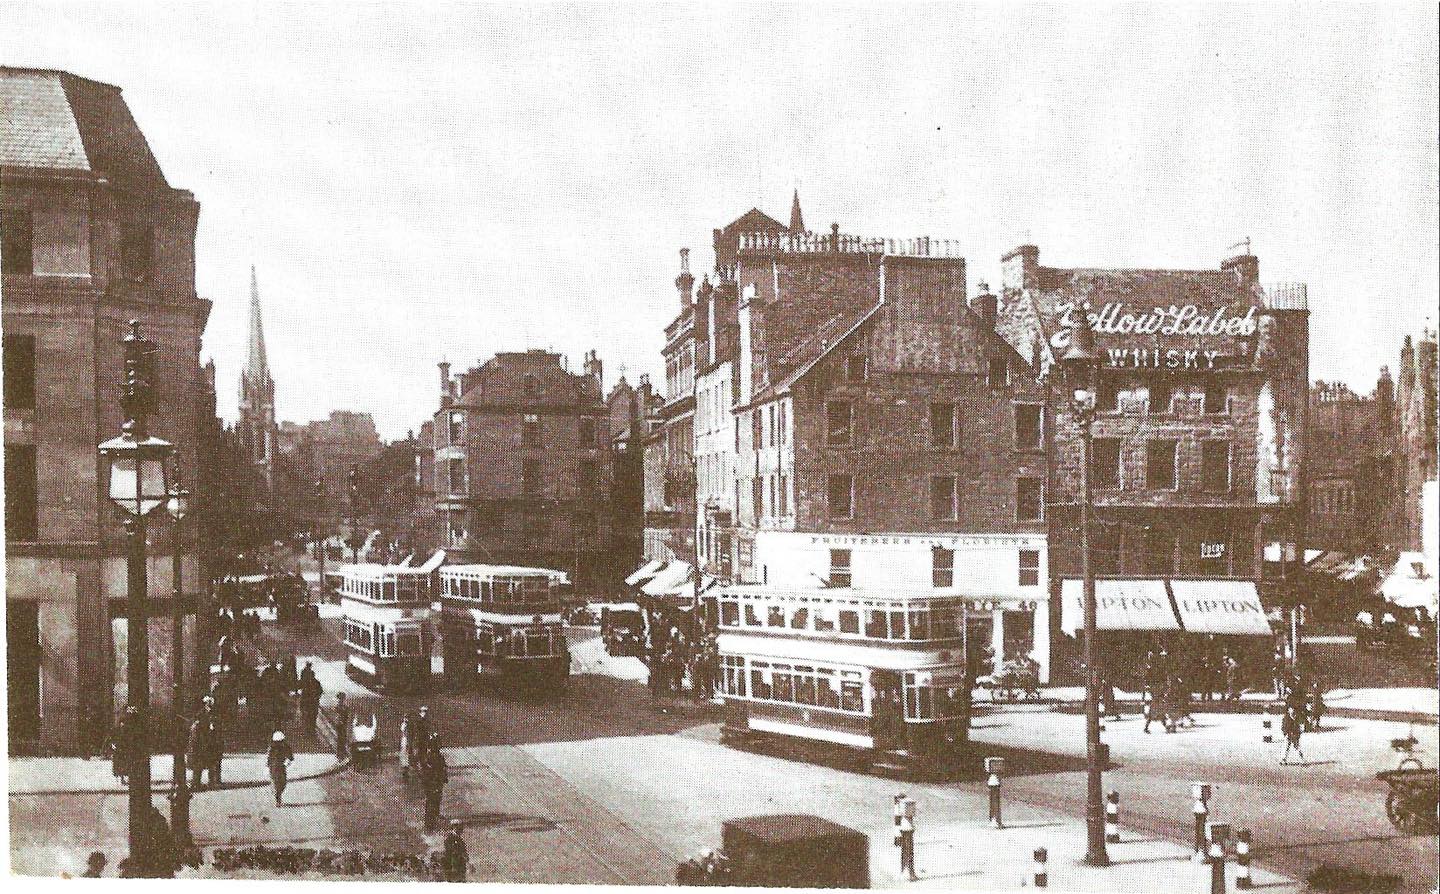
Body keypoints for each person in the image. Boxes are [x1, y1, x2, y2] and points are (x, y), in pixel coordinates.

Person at [109, 706, 144, 785]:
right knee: (122, 763)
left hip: (124, 746)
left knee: (125, 762)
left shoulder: (125, 723)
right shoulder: (121, 724)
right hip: (121, 746)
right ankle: (122, 778)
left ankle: (125, 778)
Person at [420, 744, 449, 832]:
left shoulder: (431, 757)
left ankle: (432, 819)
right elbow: (428, 771)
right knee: (432, 802)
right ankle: (430, 823)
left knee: (433, 801)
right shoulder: (433, 758)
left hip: (434, 783)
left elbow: (443, 769)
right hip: (433, 783)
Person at [267, 729, 294, 806]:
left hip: (278, 766)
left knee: (279, 782)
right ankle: (278, 797)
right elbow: (291, 756)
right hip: (277, 766)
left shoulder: (277, 747)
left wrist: (289, 760)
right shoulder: (274, 747)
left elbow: (290, 756)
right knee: (280, 782)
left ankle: (277, 794)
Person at [298, 663, 322, 731]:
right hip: (311, 703)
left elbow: (320, 691)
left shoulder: (313, 683)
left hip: (311, 703)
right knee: (311, 716)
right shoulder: (314, 683)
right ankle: (310, 728)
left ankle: (311, 728)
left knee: (311, 716)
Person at [334, 692, 351, 760]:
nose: (342, 699)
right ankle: (341, 751)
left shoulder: (341, 706)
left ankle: (341, 751)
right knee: (341, 737)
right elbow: (342, 714)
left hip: (342, 723)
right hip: (341, 723)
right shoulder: (341, 706)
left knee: (342, 737)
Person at [399, 713, 412, 781]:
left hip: (405, 741)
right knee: (405, 754)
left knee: (406, 755)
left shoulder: (406, 725)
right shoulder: (404, 725)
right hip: (405, 741)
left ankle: (406, 769)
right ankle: (405, 769)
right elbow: (404, 733)